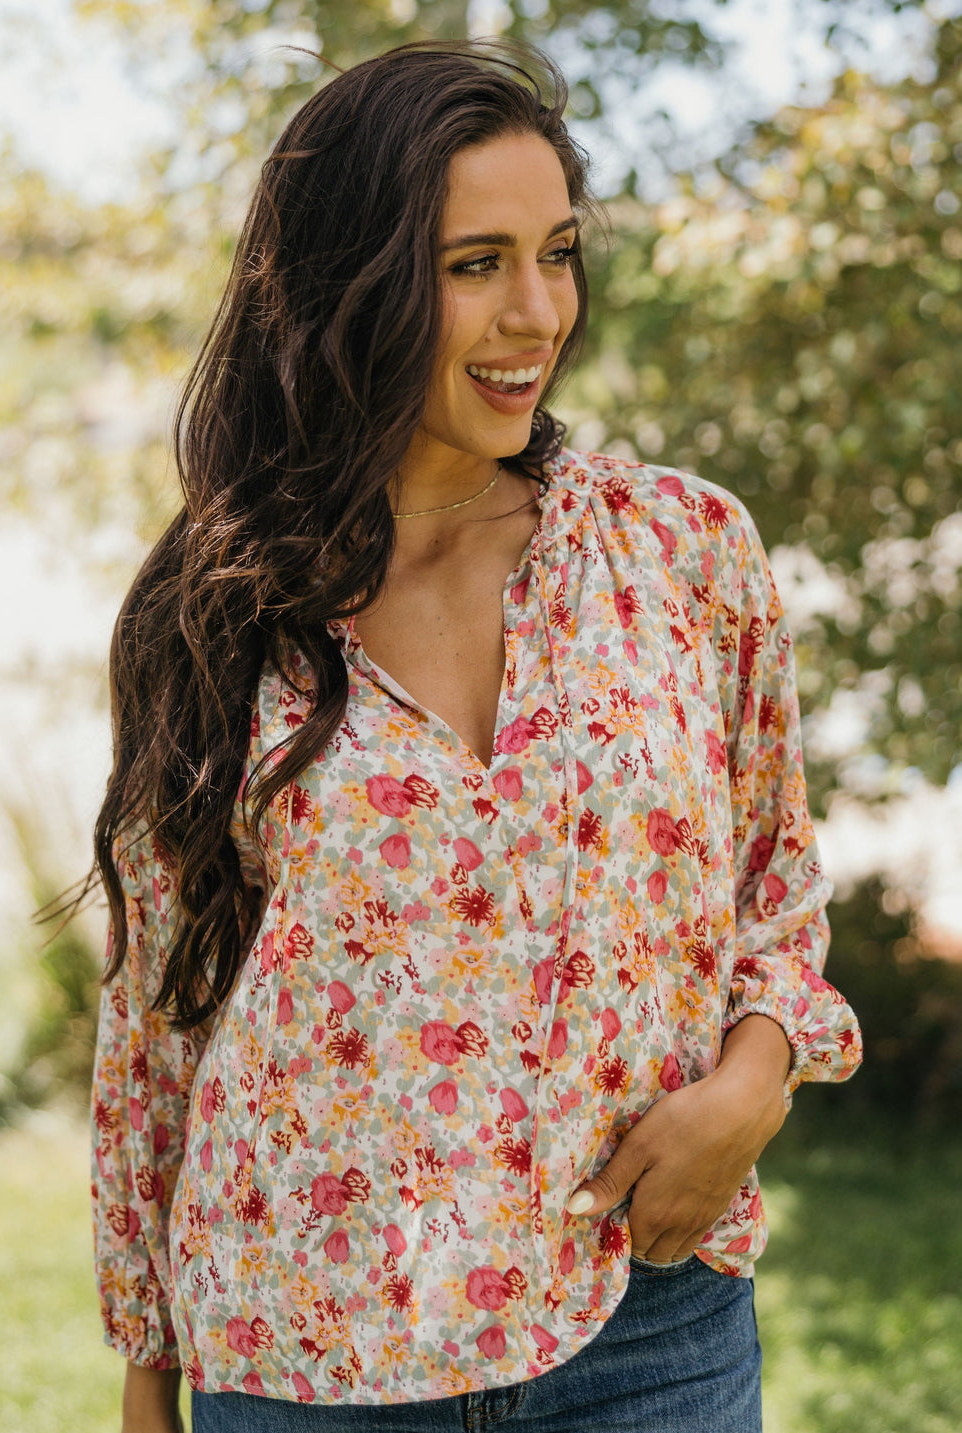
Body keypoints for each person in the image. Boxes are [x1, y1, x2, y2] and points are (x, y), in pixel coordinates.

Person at [89, 39, 862, 1433]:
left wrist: (750, 1092)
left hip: (647, 1329)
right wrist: (149, 1383)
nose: (535, 313)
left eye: (557, 253)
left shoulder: (683, 550)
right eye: (474, 265)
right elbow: (159, 1011)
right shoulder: (216, 607)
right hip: (309, 1355)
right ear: (353, 284)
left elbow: (778, 892)